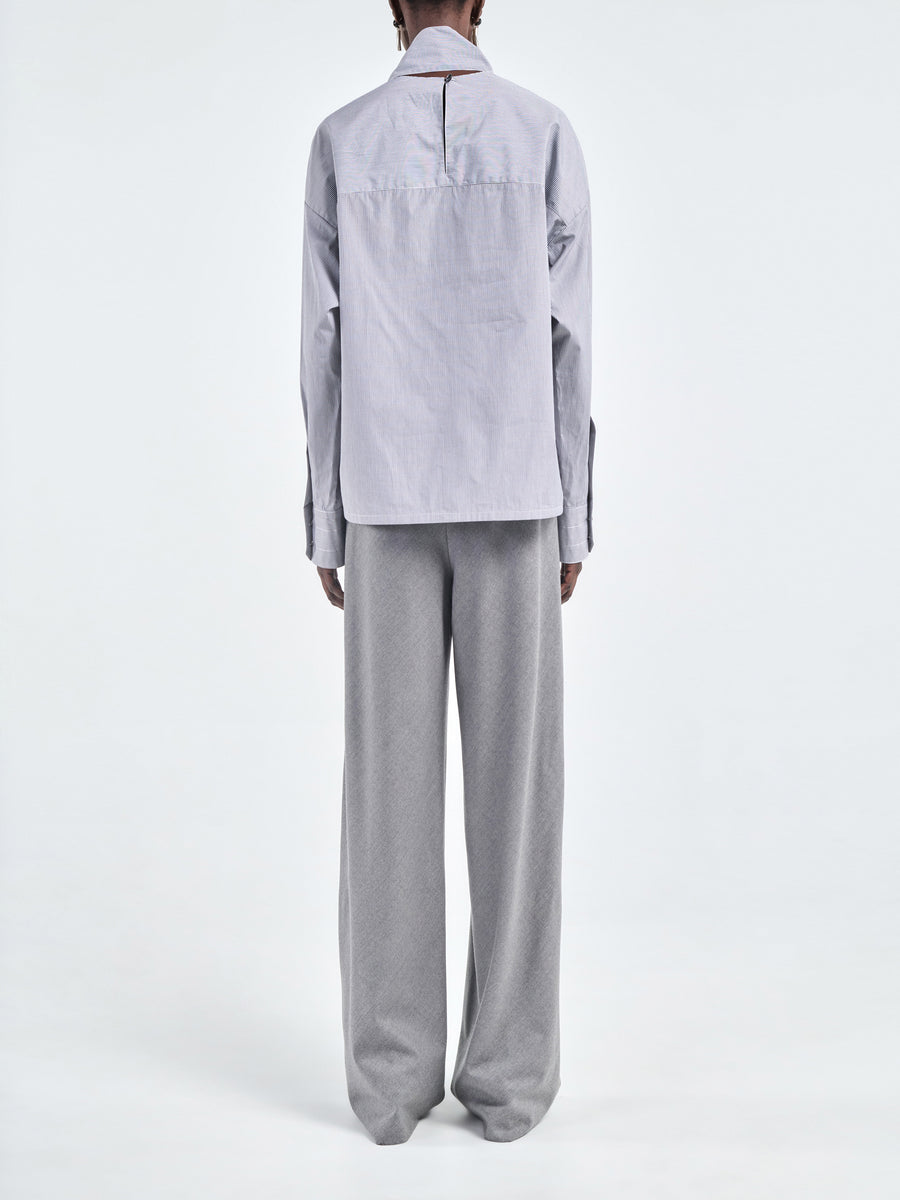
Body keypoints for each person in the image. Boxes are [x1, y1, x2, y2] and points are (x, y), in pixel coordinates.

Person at [299, 0, 595, 1146]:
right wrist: (575, 515)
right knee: (519, 803)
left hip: (385, 495)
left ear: (392, 8)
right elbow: (570, 339)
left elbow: (322, 341)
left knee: (387, 799)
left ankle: (389, 1086)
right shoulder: (544, 132)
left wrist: (327, 519)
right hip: (517, 494)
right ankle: (511, 1086)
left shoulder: (342, 140)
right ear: (481, 6)